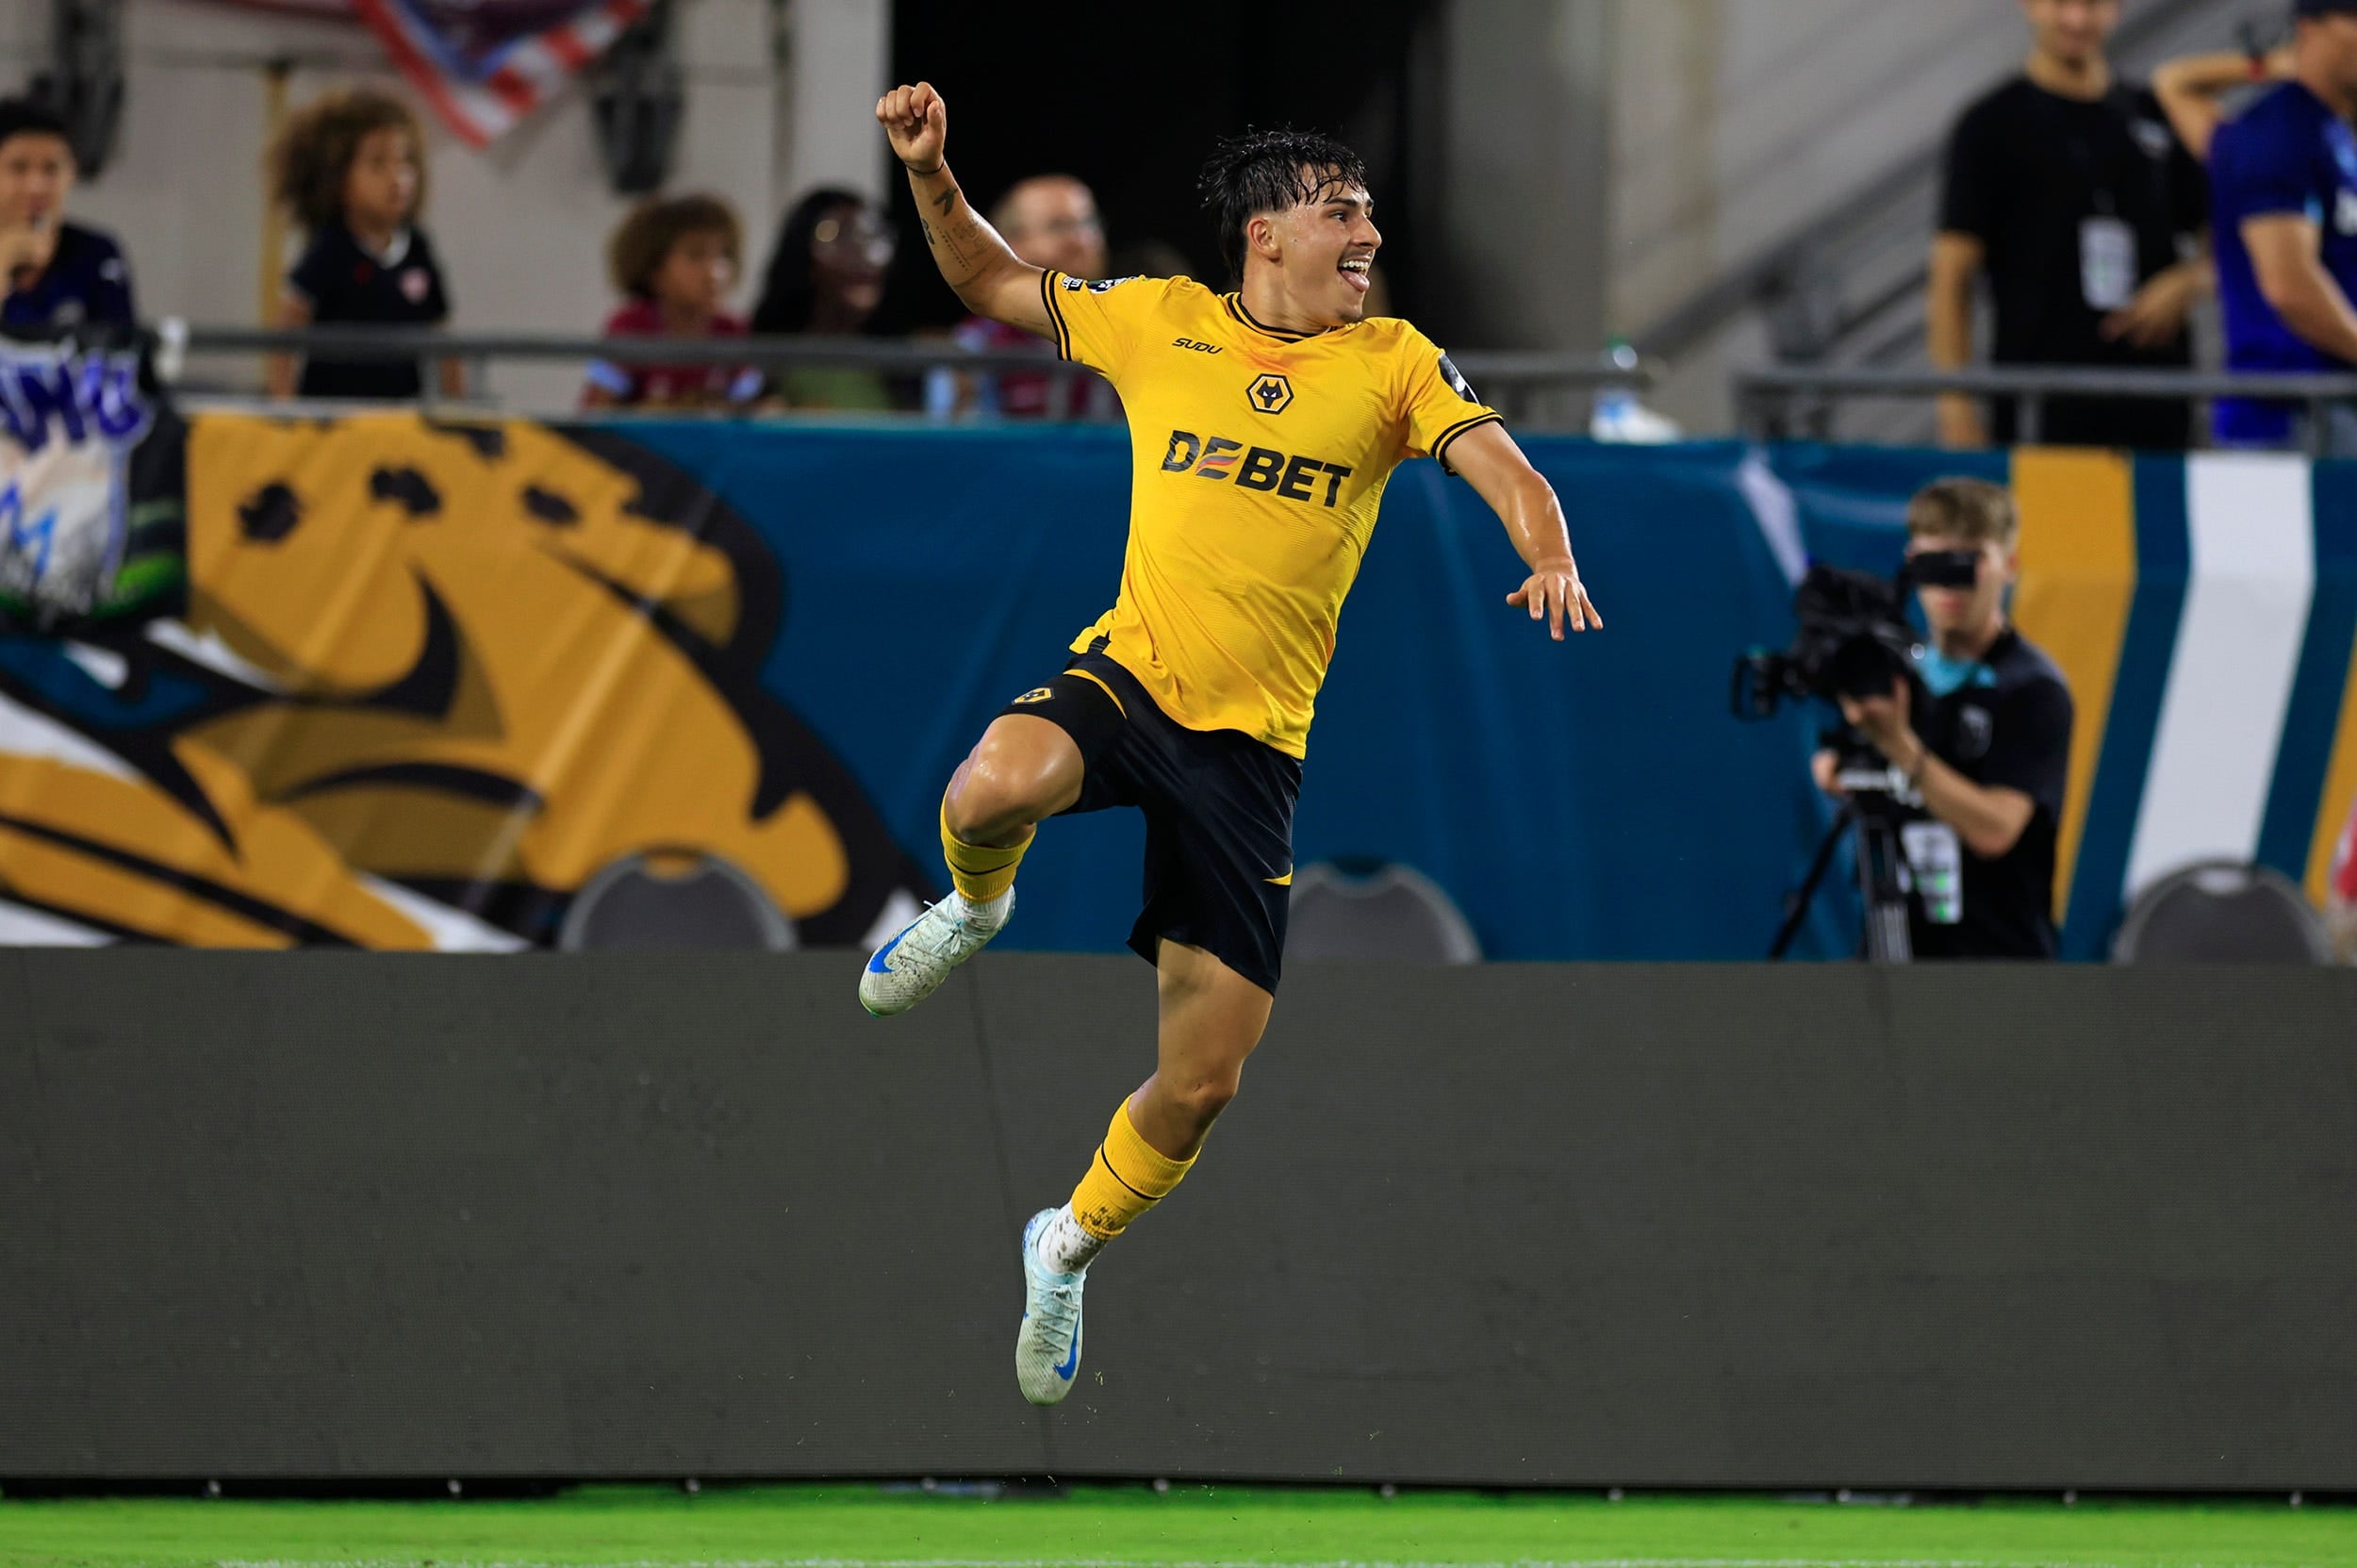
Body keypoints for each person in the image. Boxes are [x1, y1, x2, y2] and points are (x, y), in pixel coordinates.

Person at [861, 82, 1604, 1405]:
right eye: (1340, 210)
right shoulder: (1159, 321)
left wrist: (1548, 555)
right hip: (1134, 676)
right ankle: (976, 911)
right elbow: (988, 278)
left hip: (1252, 757)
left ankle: (1067, 1245)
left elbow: (1511, 471)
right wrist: (928, 171)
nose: (1366, 230)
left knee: (1201, 1083)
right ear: (1265, 233)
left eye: (1368, 210)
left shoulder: (1393, 364)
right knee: (990, 785)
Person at [1929, 0, 2210, 452]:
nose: (2077, 19)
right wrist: (1955, 404)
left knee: (2154, 519)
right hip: (2043, 400)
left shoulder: (2150, 113)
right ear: (2032, 6)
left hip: (2157, 398)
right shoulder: (1991, 124)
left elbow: (2220, 238)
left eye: (2092, 5)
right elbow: (1951, 275)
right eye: (2062, 4)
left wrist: (2189, 280)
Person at [1813, 479, 2073, 960]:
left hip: (1993, 962)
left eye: (1968, 563)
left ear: (2008, 565)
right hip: (1895, 947)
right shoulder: (1901, 677)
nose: (1950, 586)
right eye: (1936, 563)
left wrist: (1899, 746)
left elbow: (1994, 830)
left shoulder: (2031, 689)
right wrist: (1848, 760)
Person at [2207, 0, 2357, 453]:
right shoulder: (2276, 131)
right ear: (2308, 29)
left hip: (2333, 404)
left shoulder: (2333, 131)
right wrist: (2262, 65)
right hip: (2286, 416)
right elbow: (2290, 285)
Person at [267, 87, 458, 402]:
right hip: (334, 418)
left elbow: (445, 340)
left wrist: (458, 413)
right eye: (378, 163)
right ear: (339, 177)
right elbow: (286, 332)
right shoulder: (331, 249)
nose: (397, 178)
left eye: (406, 162)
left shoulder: (418, 248)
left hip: (400, 417)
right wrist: (286, 412)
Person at [931, 175, 1119, 421]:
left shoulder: (1135, 327)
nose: (1082, 240)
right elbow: (965, 449)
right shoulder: (977, 345)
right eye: (1059, 226)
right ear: (1010, 244)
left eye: (1089, 223)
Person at [583, 193, 764, 411]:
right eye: (696, 255)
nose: (715, 272)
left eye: (724, 255)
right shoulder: (632, 326)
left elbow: (749, 411)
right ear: (654, 270)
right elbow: (596, 415)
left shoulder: (732, 331)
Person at [749, 188, 898, 412]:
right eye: (841, 237)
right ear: (804, 256)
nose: (861, 256)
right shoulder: (768, 362)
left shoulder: (907, 362)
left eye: (870, 236)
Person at [0, 96, 134, 331]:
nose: (36, 186)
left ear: (70, 174)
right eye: (19, 168)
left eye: (51, 169)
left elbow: (121, 354)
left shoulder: (96, 254)